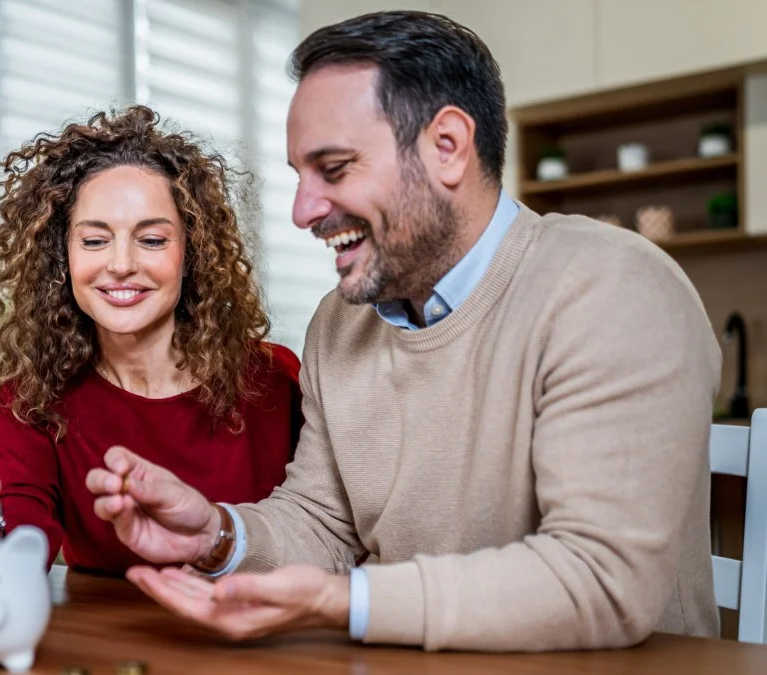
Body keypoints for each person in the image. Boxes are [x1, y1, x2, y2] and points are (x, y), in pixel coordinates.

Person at [85, 11, 721, 652]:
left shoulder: (612, 287)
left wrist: (343, 601)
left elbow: (600, 582)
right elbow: (322, 523)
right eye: (300, 175)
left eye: (333, 168)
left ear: (446, 147)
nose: (303, 210)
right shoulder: (339, 324)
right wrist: (219, 536)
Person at [0, 105, 303, 576]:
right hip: (106, 646)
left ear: (192, 253)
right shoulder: (31, 398)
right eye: (94, 241)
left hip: (260, 636)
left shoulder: (275, 380)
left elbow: (323, 532)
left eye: (152, 240)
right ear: (63, 258)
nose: (120, 264)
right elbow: (25, 540)